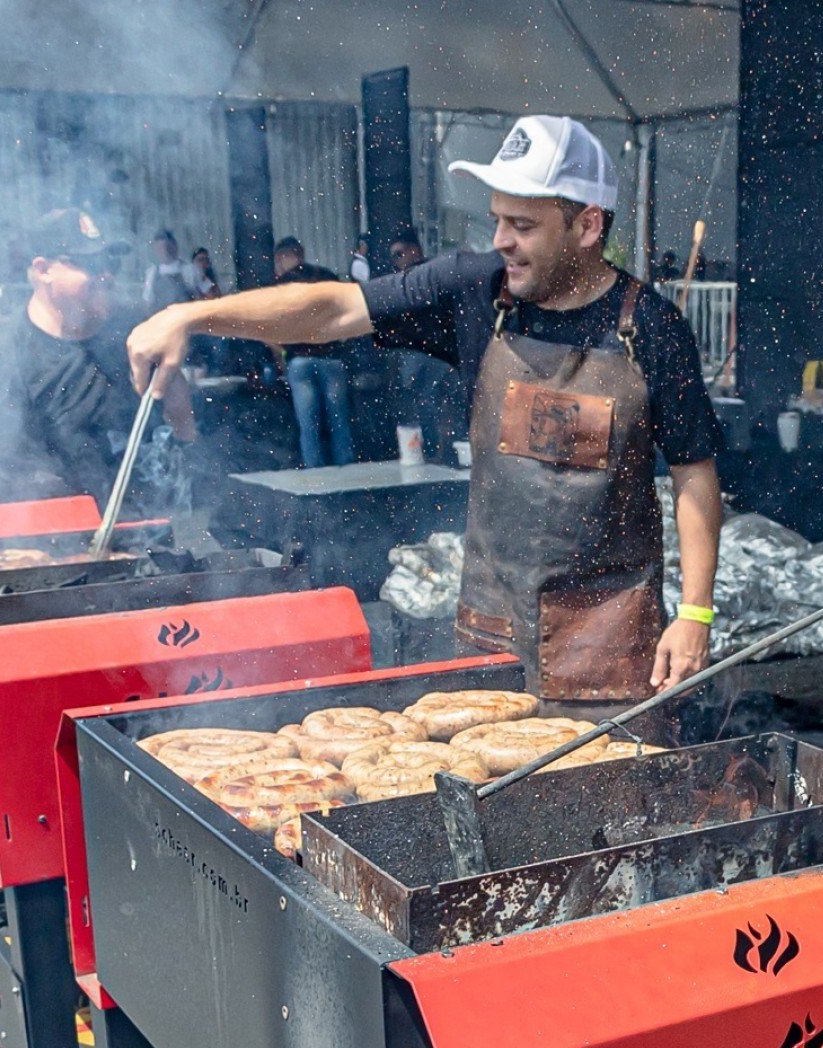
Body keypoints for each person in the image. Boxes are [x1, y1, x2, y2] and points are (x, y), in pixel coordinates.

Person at [127, 115, 721, 712]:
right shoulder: (476, 289)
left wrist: (695, 613)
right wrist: (192, 315)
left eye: (522, 225)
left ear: (588, 225)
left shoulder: (650, 328)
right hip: (493, 633)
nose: (500, 241)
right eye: (496, 219)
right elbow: (334, 309)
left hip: (610, 645)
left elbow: (694, 473)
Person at [0, 209, 195, 501]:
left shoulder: (135, 330)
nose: (105, 275)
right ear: (44, 270)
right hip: (50, 534)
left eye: (110, 263)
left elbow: (182, 422)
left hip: (145, 524)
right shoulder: (4, 352)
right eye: (90, 264)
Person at [269, 237, 356, 468]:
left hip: (300, 362)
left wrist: (281, 357)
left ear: (280, 257)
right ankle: (347, 475)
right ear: (302, 252)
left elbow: (272, 329)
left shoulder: (282, 285)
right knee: (340, 423)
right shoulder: (327, 277)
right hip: (332, 359)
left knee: (309, 426)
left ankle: (315, 478)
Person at [383, 229, 463, 452]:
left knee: (438, 403)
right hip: (419, 351)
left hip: (433, 351)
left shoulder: (428, 275)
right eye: (393, 257)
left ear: (414, 250)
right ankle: (435, 451)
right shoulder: (405, 280)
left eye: (399, 254)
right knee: (422, 403)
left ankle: (443, 451)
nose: (396, 261)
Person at [142, 230, 205, 312]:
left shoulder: (190, 270)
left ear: (175, 246)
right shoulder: (151, 273)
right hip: (162, 321)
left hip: (186, 319)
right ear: (155, 250)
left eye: (168, 247)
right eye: (160, 248)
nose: (165, 251)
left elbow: (207, 295)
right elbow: (147, 303)